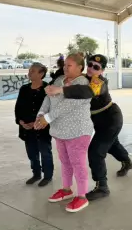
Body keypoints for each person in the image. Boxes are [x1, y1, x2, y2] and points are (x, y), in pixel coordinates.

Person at [44, 54, 132, 201]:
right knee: (112, 144)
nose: (92, 69)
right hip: (96, 120)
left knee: (95, 151)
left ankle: (102, 187)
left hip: (110, 119)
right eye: (90, 65)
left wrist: (60, 90)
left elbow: (86, 92)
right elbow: (67, 78)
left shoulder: (99, 83)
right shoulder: (82, 79)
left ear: (102, 70)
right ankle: (127, 162)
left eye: (96, 67)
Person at [35, 53, 93, 213]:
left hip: (78, 131)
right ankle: (66, 189)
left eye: (70, 65)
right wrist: (40, 114)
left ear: (80, 67)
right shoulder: (59, 80)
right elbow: (48, 99)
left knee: (78, 163)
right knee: (65, 162)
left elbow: (68, 105)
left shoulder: (81, 83)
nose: (65, 68)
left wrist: (47, 118)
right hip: (59, 131)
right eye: (65, 65)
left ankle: (82, 196)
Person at [14, 62, 53, 187]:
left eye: (33, 71)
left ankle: (47, 176)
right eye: (29, 70)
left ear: (41, 74)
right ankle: (36, 174)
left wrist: (38, 122)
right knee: (32, 153)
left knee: (45, 152)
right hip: (27, 128)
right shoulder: (24, 89)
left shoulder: (48, 89)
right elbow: (18, 107)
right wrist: (21, 121)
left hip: (42, 128)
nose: (29, 73)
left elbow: (51, 109)